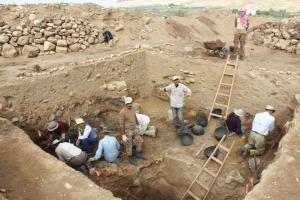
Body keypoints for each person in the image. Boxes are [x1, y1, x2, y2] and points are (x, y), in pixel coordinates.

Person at [119, 97, 145, 165]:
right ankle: (130, 156)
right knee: (129, 143)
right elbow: (121, 125)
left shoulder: (133, 108)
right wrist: (123, 135)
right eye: (128, 104)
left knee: (138, 139)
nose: (129, 105)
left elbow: (135, 117)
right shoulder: (122, 112)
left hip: (134, 127)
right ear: (125, 104)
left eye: (130, 103)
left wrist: (138, 125)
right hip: (128, 130)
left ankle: (138, 152)